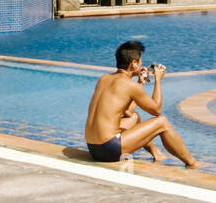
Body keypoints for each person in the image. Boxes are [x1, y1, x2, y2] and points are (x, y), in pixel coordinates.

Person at [85, 40, 199, 168]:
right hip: (108, 150)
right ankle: (193, 163)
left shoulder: (104, 79)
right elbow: (156, 110)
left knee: (134, 117)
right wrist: (158, 80)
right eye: (140, 62)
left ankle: (157, 154)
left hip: (93, 148)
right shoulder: (130, 85)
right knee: (162, 122)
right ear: (134, 64)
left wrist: (140, 83)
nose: (141, 66)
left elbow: (128, 111)